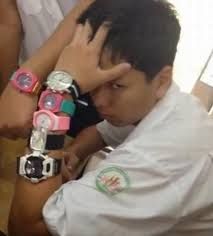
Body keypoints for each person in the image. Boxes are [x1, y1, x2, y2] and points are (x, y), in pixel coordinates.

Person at [8, 0, 213, 235]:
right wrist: (73, 154)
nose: (99, 101)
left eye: (116, 85)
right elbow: (100, 132)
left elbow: (26, 227)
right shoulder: (165, 103)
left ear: (162, 80)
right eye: (94, 83)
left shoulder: (159, 160)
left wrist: (58, 92)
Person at [0, 0, 101, 139]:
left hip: (101, 78)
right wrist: (9, 93)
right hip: (36, 85)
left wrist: (26, 80)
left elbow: (96, 6)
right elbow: (8, 23)